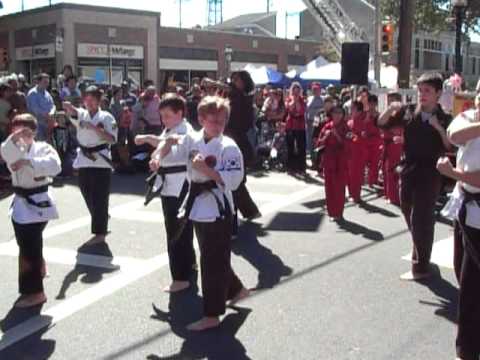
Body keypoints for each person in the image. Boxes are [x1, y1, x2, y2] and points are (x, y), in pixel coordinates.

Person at [159, 95, 250, 331]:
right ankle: (237, 289)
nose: (218, 125)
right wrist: (159, 155)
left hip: (218, 208)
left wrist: (206, 170)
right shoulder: (193, 138)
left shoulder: (228, 147)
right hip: (197, 203)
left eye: (222, 121)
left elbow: (233, 181)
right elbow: (172, 143)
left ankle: (212, 314)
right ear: (200, 119)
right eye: (213, 120)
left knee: (211, 260)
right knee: (213, 256)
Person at [379, 72, 452, 281]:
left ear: (438, 93)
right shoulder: (410, 112)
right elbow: (382, 124)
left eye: (427, 91)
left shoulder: (445, 117)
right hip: (409, 168)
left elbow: (450, 146)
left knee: (421, 218)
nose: (422, 94)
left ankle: (421, 267)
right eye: (420, 90)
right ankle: (421, 243)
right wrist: (390, 109)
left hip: (431, 171)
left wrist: (439, 129)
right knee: (407, 208)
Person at [135, 93, 196, 293]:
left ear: (180, 113)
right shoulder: (173, 128)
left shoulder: (184, 132)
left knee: (175, 232)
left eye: (168, 115)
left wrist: (157, 158)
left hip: (178, 185)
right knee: (183, 230)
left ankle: (180, 277)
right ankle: (190, 265)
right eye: (162, 116)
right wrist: (146, 138)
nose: (164, 120)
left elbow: (168, 145)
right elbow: (163, 141)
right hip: (173, 184)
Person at [1, 113, 61, 307]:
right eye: (15, 130)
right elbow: (5, 152)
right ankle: (40, 265)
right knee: (27, 243)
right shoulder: (13, 148)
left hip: (39, 202)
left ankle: (35, 292)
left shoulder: (43, 148)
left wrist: (29, 162)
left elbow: (55, 166)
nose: (19, 134)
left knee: (28, 248)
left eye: (23, 130)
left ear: (33, 132)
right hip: (20, 202)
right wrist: (15, 138)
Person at [437, 94, 480, 360]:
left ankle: (467, 349)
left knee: (472, 284)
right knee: (460, 266)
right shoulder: (468, 118)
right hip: (464, 206)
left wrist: (454, 174)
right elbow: (455, 135)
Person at [63, 86, 118, 245]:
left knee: (100, 196)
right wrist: (69, 107)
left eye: (92, 101)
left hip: (101, 159)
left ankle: (100, 233)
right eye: (86, 100)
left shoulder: (107, 117)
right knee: (85, 190)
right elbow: (74, 112)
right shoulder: (82, 114)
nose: (89, 104)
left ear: (99, 101)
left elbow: (112, 139)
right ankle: (101, 216)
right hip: (84, 157)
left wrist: (94, 128)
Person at [227, 70, 261, 221]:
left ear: (244, 82)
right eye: (233, 79)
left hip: (238, 141)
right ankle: (248, 211)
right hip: (230, 139)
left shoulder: (244, 98)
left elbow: (241, 122)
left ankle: (247, 211)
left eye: (237, 79)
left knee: (235, 179)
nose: (234, 81)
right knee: (236, 179)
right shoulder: (232, 95)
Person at [316, 105, 349, 221]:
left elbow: (349, 143)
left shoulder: (346, 127)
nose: (338, 115)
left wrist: (337, 135)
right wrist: (325, 137)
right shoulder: (326, 126)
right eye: (335, 113)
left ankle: (339, 212)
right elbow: (319, 143)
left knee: (339, 187)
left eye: (340, 113)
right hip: (328, 159)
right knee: (329, 187)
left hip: (340, 159)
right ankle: (331, 211)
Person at [380, 92, 404, 205]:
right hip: (386, 144)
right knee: (385, 169)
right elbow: (380, 123)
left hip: (396, 144)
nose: (390, 102)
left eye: (392, 100)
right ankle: (388, 193)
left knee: (393, 170)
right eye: (389, 100)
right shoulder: (387, 113)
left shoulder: (403, 114)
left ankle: (394, 196)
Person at [347, 101, 367, 203]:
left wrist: (352, 137)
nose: (351, 110)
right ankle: (351, 193)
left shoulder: (362, 123)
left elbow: (362, 138)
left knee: (357, 175)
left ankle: (356, 195)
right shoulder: (349, 122)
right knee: (349, 175)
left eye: (353, 108)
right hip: (349, 153)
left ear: (359, 111)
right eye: (351, 108)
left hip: (358, 153)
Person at [26, 73, 56, 142]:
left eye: (48, 82)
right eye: (45, 82)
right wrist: (47, 115)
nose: (47, 84)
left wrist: (51, 113)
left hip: (48, 124)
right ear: (38, 82)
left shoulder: (47, 93)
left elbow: (53, 105)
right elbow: (35, 109)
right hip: (37, 125)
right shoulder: (33, 93)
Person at [285, 82, 307, 174]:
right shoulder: (288, 99)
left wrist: (298, 101)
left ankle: (301, 167)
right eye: (294, 91)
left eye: (298, 91)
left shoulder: (303, 100)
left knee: (301, 146)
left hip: (300, 125)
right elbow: (289, 108)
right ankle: (291, 166)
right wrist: (294, 100)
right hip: (290, 124)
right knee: (290, 146)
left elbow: (300, 111)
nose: (296, 93)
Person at [364, 94, 382, 187]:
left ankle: (372, 181)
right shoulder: (364, 114)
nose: (372, 105)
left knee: (374, 162)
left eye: (373, 103)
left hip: (376, 141)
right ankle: (368, 178)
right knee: (366, 161)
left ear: (376, 104)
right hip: (366, 141)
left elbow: (381, 128)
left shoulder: (379, 115)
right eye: (370, 103)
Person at [306, 83, 324, 158]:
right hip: (309, 121)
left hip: (317, 121)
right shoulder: (309, 98)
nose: (315, 91)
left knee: (316, 139)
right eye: (314, 89)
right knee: (310, 140)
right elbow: (306, 110)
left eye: (317, 89)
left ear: (320, 90)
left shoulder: (323, 99)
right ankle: (312, 156)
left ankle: (317, 158)